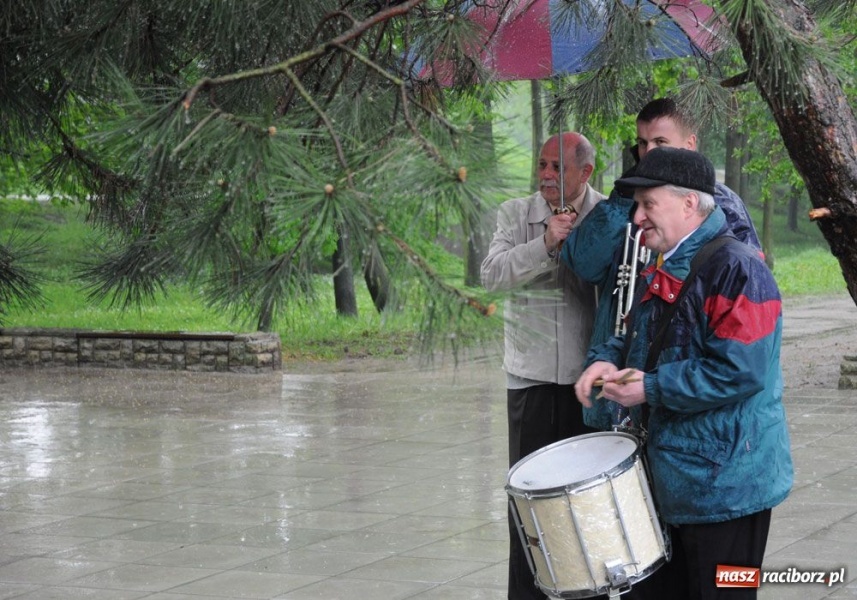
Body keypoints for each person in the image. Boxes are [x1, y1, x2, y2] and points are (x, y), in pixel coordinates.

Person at [574, 147, 793, 600]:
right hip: (676, 484)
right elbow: (639, 334)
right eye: (637, 205)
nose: (637, 218)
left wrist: (650, 388)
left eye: (648, 204)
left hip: (729, 493)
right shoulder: (667, 260)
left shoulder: (739, 270)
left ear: (689, 203)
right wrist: (606, 358)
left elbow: (740, 372)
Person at [561, 97, 762, 431]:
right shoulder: (626, 198)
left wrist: (655, 385)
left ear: (690, 144)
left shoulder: (722, 208)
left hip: (686, 406)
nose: (649, 152)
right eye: (642, 143)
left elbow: (741, 319)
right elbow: (583, 262)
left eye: (660, 142)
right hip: (623, 376)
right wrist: (627, 200)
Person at [481, 131, 605, 600]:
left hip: (586, 384)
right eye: (542, 165)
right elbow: (491, 277)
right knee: (528, 501)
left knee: (582, 500)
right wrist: (545, 243)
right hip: (528, 381)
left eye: (558, 167)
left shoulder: (607, 215)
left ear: (586, 172)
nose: (547, 175)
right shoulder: (515, 214)